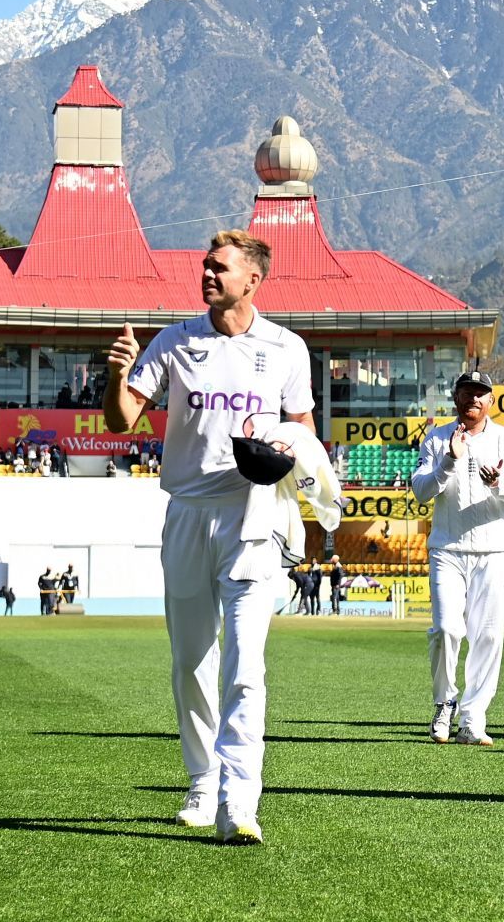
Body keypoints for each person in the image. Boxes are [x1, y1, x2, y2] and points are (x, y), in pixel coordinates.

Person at [105, 228, 314, 846]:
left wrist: (283, 449)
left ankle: (238, 801)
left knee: (245, 662)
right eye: (204, 265)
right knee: (191, 660)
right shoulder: (176, 341)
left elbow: (302, 429)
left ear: (253, 279)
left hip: (253, 514)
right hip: (189, 513)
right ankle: (201, 779)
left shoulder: (286, 348)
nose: (206, 274)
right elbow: (122, 420)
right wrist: (115, 374)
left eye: (219, 267)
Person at [411, 370, 504, 746]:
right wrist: (448, 460)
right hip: (447, 549)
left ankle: (473, 717)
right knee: (447, 630)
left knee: (489, 636)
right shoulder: (435, 438)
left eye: (480, 394)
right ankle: (445, 701)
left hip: (494, 551)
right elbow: (420, 492)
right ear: (456, 397)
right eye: (466, 393)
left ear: (491, 400)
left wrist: (498, 484)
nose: (473, 400)